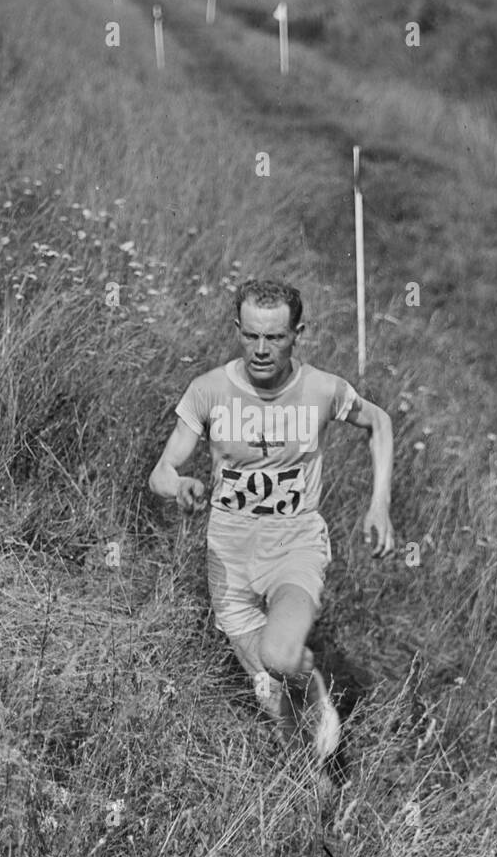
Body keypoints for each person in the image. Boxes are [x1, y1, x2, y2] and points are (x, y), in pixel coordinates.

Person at [148, 279, 395, 761]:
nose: (262, 350)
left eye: (276, 337)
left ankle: (313, 687)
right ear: (237, 328)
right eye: (251, 336)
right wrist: (179, 486)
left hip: (293, 546)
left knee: (280, 658)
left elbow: (379, 422)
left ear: (297, 333)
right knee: (270, 695)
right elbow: (161, 470)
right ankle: (314, 791)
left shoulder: (323, 389)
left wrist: (379, 503)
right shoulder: (209, 390)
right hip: (228, 557)